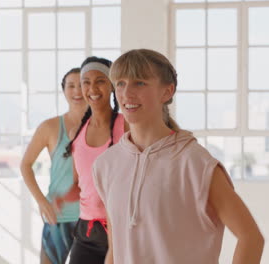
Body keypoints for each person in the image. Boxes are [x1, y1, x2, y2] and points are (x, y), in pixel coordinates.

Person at [93, 49, 265, 264]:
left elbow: (250, 238)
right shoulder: (106, 165)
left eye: (139, 83)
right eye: (120, 83)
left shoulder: (195, 163)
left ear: (167, 92)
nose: (126, 93)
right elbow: (116, 249)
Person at [55, 57, 127, 264]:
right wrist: (62, 198)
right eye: (86, 81)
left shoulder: (128, 127)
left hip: (120, 232)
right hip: (86, 231)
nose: (92, 88)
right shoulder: (76, 132)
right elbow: (82, 184)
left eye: (100, 81)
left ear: (112, 84)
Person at [21, 68, 87, 264]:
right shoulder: (49, 127)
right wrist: (42, 201)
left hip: (92, 217)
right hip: (58, 216)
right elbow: (25, 165)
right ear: (63, 90)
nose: (77, 91)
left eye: (82, 85)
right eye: (71, 85)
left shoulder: (103, 127)